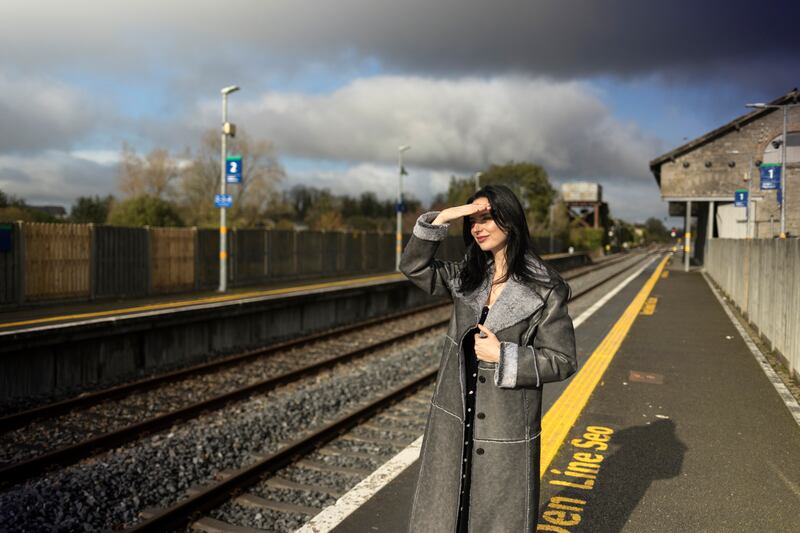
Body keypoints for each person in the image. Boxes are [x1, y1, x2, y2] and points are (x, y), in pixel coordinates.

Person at [399, 184, 578, 533]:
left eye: (486, 218)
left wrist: (505, 356)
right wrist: (443, 218)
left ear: (510, 222)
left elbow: (562, 359)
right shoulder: (467, 276)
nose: (477, 227)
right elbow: (413, 266)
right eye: (472, 221)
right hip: (455, 422)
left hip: (504, 426)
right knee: (448, 514)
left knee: (493, 518)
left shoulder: (546, 288)